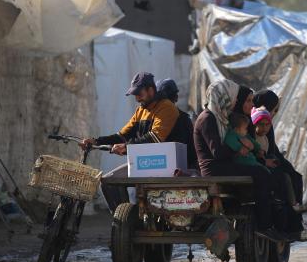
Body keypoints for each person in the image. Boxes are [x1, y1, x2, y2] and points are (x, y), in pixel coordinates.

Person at [193, 79, 285, 242]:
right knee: (260, 173)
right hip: (214, 169)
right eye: (233, 97)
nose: (235, 101)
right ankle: (265, 226)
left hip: (221, 165)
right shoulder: (207, 119)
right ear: (224, 97)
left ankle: (267, 213)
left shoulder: (218, 117)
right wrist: (241, 147)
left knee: (261, 170)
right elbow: (218, 153)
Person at [82, 72, 179, 211]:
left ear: (151, 90)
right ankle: (124, 219)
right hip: (145, 163)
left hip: (163, 164)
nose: (137, 98)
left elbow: (155, 138)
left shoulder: (166, 106)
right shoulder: (141, 110)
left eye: (140, 94)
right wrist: (95, 141)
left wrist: (126, 147)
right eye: (135, 95)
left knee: (110, 182)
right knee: (107, 181)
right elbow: (122, 136)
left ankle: (128, 218)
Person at [252, 90, 307, 242]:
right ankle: (294, 227)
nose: (274, 113)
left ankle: (297, 221)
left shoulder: (264, 120)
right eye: (274, 109)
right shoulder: (256, 120)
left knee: (294, 176)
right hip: (259, 163)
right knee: (284, 180)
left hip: (267, 159)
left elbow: (271, 148)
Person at [252, 106, 307, 213]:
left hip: (265, 166)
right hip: (259, 168)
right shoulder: (253, 138)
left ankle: (293, 204)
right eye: (261, 124)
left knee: (288, 175)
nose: (264, 128)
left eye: (267, 125)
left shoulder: (266, 139)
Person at [156, 78, 198, 170]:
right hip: (181, 172)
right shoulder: (185, 119)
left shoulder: (152, 120)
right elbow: (192, 153)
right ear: (176, 98)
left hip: (156, 169)